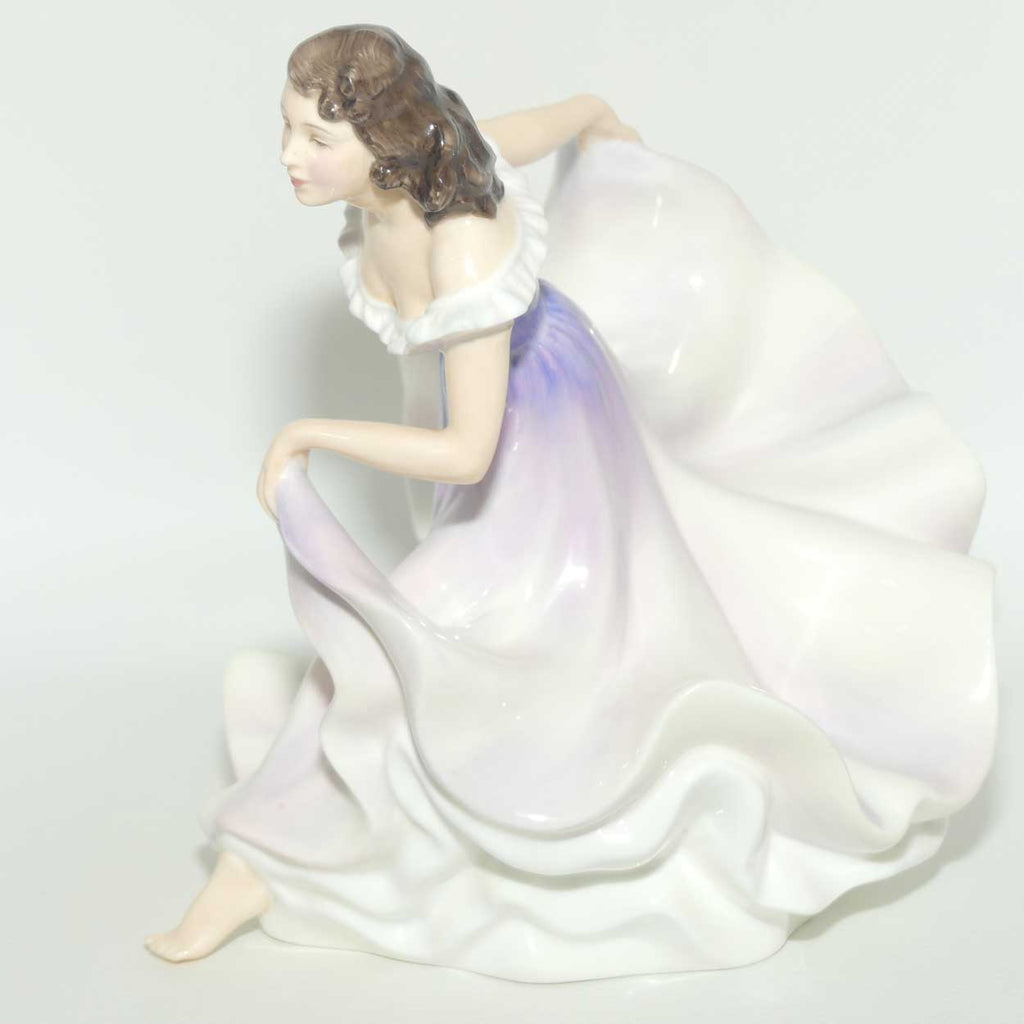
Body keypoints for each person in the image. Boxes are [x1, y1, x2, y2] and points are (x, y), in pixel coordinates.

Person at [145, 24, 996, 982]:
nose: (289, 156)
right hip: (485, 414)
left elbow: (470, 451)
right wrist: (591, 112)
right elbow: (509, 134)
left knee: (427, 629)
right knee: (447, 636)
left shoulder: (464, 246)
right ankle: (295, 849)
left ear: (381, 143)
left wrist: (310, 434)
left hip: (544, 437)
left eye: (315, 138)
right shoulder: (408, 173)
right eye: (287, 128)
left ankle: (260, 865)